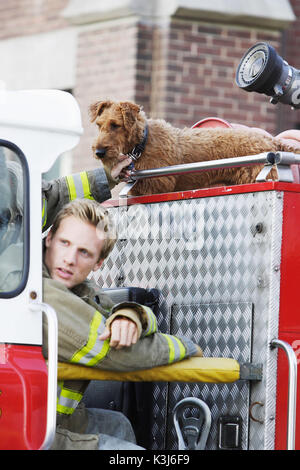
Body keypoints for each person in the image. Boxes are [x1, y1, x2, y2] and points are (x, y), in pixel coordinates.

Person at [42, 198, 202, 450]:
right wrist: (186, 346)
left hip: (49, 419)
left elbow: (113, 311)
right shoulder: (42, 291)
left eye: (84, 252)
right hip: (23, 429)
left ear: (98, 264)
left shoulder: (81, 289)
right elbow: (121, 354)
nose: (70, 259)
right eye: (65, 243)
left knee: (119, 424)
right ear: (49, 238)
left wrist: (130, 316)